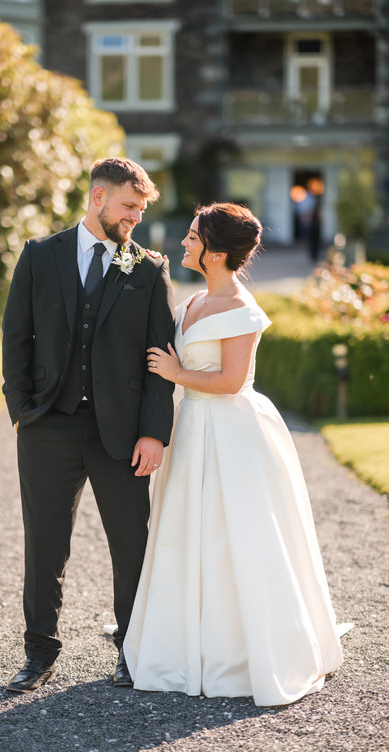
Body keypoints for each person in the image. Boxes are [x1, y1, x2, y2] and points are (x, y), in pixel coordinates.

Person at [123, 202, 345, 706]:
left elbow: (231, 381)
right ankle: (183, 646)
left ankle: (241, 653)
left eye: (193, 237)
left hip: (231, 431)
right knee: (187, 533)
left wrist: (176, 374)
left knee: (235, 536)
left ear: (216, 253)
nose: (184, 242)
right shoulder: (193, 301)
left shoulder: (243, 309)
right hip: (192, 430)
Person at [2, 157, 175, 692]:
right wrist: (23, 414)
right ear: (98, 197)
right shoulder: (39, 255)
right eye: (129, 207)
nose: (135, 219)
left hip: (120, 434)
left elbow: (159, 355)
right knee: (45, 544)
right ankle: (39, 654)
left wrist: (153, 431)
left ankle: (132, 650)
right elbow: (16, 339)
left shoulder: (148, 269)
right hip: (47, 426)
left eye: (141, 210)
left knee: (131, 544)